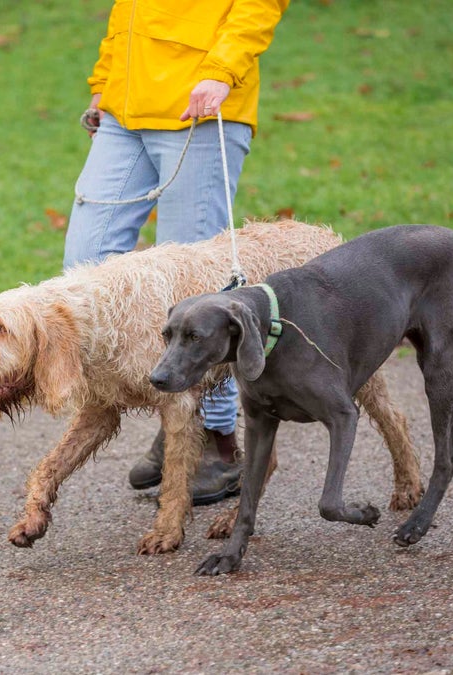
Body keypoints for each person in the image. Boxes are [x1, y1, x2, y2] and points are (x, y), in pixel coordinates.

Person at [65, 0, 289, 505]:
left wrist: (221, 72)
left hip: (200, 103)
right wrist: (104, 81)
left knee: (197, 291)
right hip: (123, 110)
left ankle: (214, 437)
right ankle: (169, 415)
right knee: (85, 263)